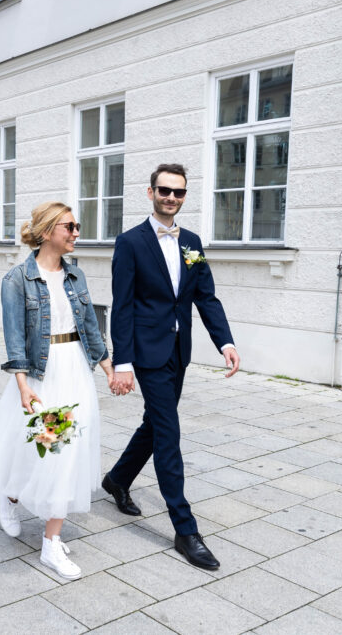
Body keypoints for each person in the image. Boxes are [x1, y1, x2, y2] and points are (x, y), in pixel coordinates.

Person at [103, 163, 240, 570]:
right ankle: (185, 528)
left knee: (156, 423)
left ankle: (116, 480)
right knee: (168, 433)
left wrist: (226, 342)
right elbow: (121, 306)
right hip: (146, 352)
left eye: (178, 192)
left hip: (179, 350)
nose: (171, 198)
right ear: (150, 192)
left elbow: (206, 298)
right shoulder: (130, 242)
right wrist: (122, 363)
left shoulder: (192, 242)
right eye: (164, 190)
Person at [0, 201, 114, 580]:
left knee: (65, 452)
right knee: (41, 450)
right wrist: (22, 385)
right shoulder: (16, 280)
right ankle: (11, 497)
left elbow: (89, 326)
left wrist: (107, 368)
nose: (76, 233)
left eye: (77, 226)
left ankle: (50, 541)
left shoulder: (77, 277)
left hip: (75, 369)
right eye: (69, 227)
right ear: (45, 232)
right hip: (42, 373)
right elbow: (15, 338)